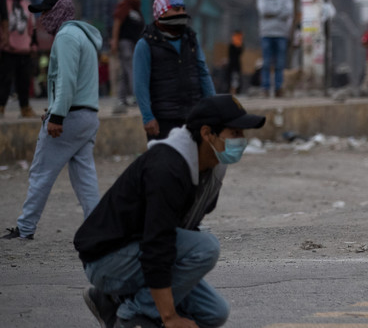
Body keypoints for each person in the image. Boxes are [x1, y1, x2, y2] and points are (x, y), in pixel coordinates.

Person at [75, 94, 265, 328]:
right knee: (206, 247)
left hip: (141, 251)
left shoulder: (212, 167)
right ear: (207, 134)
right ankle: (132, 315)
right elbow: (158, 243)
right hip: (107, 262)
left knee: (214, 312)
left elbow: (179, 229)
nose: (242, 141)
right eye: (235, 133)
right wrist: (169, 316)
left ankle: (110, 300)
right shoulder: (167, 168)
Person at [3, 0, 101, 241]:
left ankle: (25, 228)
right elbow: (75, 82)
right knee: (84, 177)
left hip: (69, 118)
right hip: (87, 116)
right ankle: (98, 227)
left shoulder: (66, 37)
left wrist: (57, 115)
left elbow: (67, 81)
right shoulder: (84, 36)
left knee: (40, 173)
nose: (42, 18)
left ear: (60, 11)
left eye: (46, 12)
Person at [134, 0, 216, 142]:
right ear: (162, 13)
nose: (182, 13)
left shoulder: (190, 40)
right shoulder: (146, 45)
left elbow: (203, 73)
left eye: (183, 9)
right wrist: (147, 117)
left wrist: (212, 107)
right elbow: (140, 84)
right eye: (177, 9)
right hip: (164, 120)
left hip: (193, 117)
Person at [0, 0, 36, 118]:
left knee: (24, 82)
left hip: (24, 49)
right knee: (4, 80)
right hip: (7, 49)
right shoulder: (3, 1)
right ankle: (1, 107)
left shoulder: (27, 4)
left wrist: (33, 47)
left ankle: (25, 107)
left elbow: (31, 27)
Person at [109, 0, 145, 114]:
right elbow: (117, 23)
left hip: (134, 44)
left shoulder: (136, 10)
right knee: (131, 68)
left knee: (125, 72)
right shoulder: (124, 7)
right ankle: (136, 96)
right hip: (125, 43)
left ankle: (121, 98)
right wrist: (114, 41)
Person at [256, 0, 293, 97]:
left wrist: (271, 13)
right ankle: (265, 88)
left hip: (281, 35)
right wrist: (279, 12)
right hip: (266, 34)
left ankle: (278, 88)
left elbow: (288, 12)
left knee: (280, 63)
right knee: (266, 63)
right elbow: (263, 11)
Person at [227, 30, 243, 95]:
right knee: (232, 78)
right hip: (232, 65)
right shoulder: (231, 45)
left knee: (235, 79)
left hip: (236, 65)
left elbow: (239, 52)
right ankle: (231, 90)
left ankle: (235, 90)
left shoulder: (240, 45)